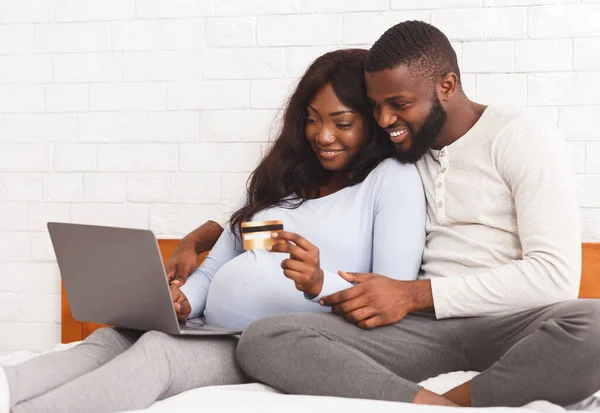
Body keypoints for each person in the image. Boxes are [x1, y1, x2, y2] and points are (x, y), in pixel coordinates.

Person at [0, 49, 426, 413]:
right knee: (114, 338)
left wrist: (318, 283)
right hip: (210, 326)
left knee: (156, 354)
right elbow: (211, 269)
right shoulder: (285, 183)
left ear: (371, 122)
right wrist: (185, 303)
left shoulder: (390, 181)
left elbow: (392, 297)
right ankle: (8, 388)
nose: (323, 135)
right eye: (313, 119)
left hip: (274, 345)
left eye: (342, 122)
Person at [234, 21, 600, 408]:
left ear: (446, 86)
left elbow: (556, 277)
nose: (385, 120)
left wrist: (412, 294)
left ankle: (447, 404)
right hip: (421, 333)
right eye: (376, 106)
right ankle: (430, 405)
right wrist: (211, 233)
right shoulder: (401, 151)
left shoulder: (522, 137)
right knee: (265, 337)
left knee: (595, 327)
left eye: (400, 104)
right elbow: (303, 191)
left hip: (511, 325)